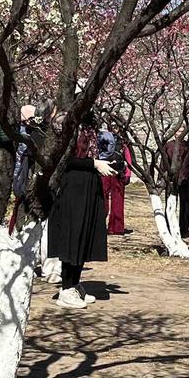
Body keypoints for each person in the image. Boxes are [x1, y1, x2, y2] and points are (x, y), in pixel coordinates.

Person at [46, 118, 115, 308]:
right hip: (73, 187)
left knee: (84, 235)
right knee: (73, 236)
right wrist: (93, 163)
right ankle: (66, 288)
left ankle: (74, 284)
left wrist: (99, 164)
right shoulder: (66, 123)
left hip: (88, 186)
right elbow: (63, 158)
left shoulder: (88, 125)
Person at [97, 126, 132, 235]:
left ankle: (116, 227)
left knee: (117, 199)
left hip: (118, 171)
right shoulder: (101, 138)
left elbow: (128, 157)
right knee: (102, 198)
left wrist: (128, 173)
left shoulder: (123, 142)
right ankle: (100, 225)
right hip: (105, 170)